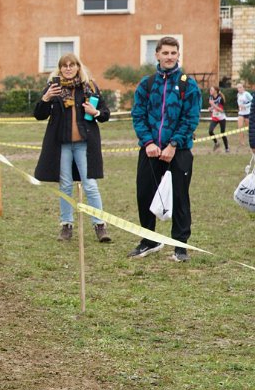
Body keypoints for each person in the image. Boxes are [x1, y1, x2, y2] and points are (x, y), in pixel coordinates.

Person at [129, 36, 200, 262]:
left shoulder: (188, 84)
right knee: (144, 194)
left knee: (180, 197)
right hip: (150, 150)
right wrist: (148, 142)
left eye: (173, 53)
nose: (169, 57)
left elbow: (190, 118)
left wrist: (173, 144)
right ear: (157, 55)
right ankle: (149, 241)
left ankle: (180, 246)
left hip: (179, 151)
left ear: (178, 55)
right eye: (165, 53)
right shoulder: (147, 84)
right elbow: (138, 115)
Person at [33, 53, 112, 243]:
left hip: (85, 144)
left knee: (90, 185)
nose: (68, 68)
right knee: (66, 185)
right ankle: (66, 225)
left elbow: (105, 114)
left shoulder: (89, 87)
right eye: (64, 65)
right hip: (62, 145)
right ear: (60, 69)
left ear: (78, 67)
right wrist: (46, 98)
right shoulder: (53, 88)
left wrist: (95, 112)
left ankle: (99, 225)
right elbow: (39, 115)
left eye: (72, 65)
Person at [207, 85, 229, 153]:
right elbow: (213, 107)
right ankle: (216, 143)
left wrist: (213, 105)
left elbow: (221, 110)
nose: (210, 91)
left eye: (211, 90)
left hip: (221, 118)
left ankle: (227, 148)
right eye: (210, 90)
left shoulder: (220, 98)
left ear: (215, 91)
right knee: (210, 131)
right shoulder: (211, 97)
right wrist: (210, 108)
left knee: (222, 133)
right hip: (215, 117)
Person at [236, 82, 252, 149]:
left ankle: (251, 141)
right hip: (241, 113)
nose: (239, 89)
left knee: (249, 128)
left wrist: (245, 106)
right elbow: (239, 102)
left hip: (248, 113)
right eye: (238, 88)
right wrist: (240, 106)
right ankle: (242, 142)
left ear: (243, 88)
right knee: (240, 127)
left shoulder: (247, 94)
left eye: (240, 87)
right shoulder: (238, 94)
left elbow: (253, 101)